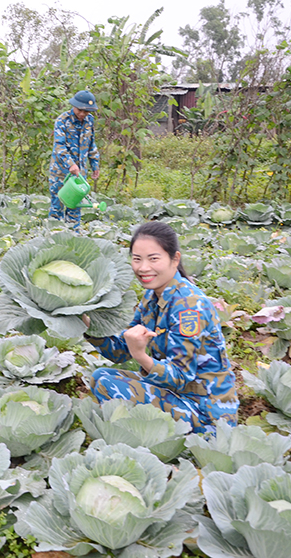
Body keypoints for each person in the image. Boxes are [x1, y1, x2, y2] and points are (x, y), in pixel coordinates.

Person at [84, 221, 239, 434]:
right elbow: (120, 351)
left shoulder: (189, 307)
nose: (143, 268)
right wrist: (89, 326)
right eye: (137, 259)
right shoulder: (152, 297)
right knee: (101, 376)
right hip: (175, 393)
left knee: (107, 385)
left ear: (175, 259)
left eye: (153, 259)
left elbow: (180, 377)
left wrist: (141, 356)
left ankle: (152, 437)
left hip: (204, 410)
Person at [49, 90, 101, 230]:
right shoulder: (62, 121)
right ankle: (54, 237)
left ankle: (73, 237)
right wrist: (70, 164)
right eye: (80, 110)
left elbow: (91, 144)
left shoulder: (89, 121)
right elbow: (59, 146)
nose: (83, 114)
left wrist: (95, 164)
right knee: (57, 206)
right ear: (73, 105)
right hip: (61, 172)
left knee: (75, 207)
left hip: (79, 175)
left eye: (86, 111)